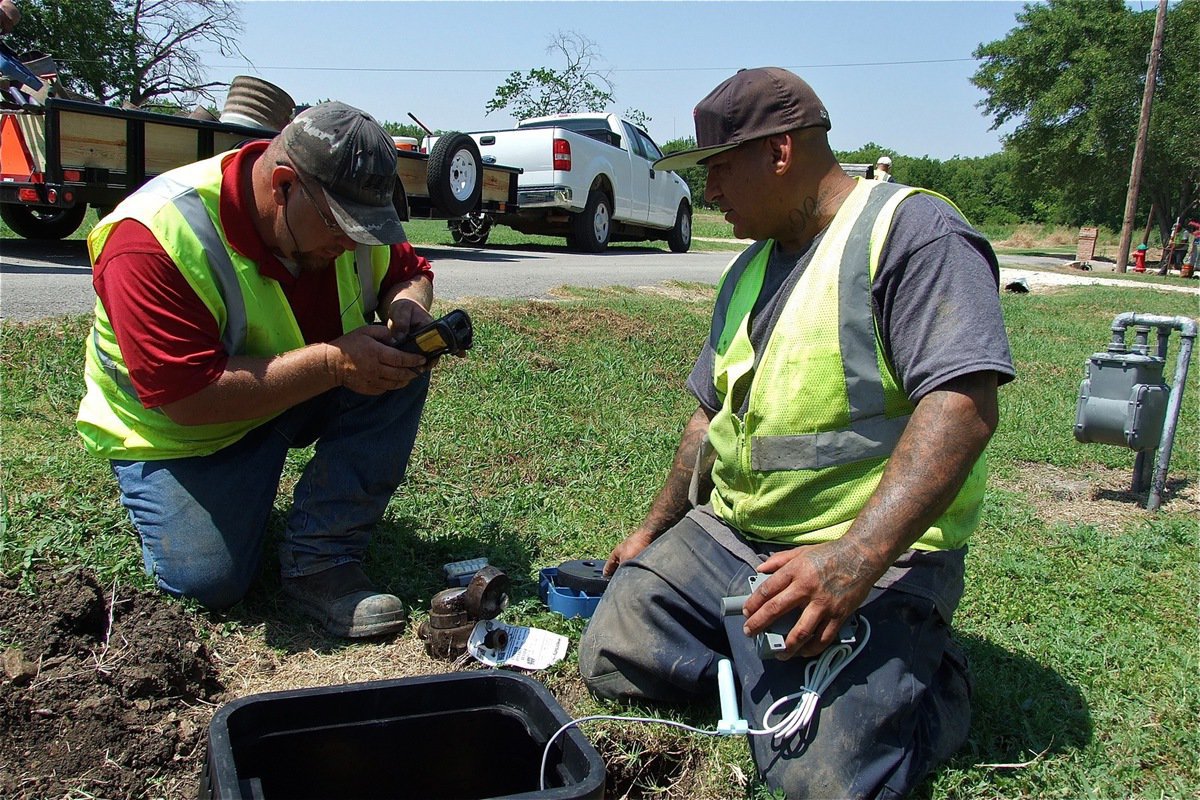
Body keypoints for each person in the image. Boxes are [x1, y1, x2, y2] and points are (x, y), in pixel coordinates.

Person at [579, 67, 1014, 799]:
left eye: (719, 168)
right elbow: (708, 416)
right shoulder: (750, 268)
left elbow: (962, 407)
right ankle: (774, 659)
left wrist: (853, 559)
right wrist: (654, 531)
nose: (710, 191)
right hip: (737, 539)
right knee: (616, 653)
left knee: (826, 776)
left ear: (779, 153)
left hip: (871, 553)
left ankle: (927, 681)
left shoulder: (914, 232)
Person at [77, 101, 438, 639]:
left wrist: (409, 305)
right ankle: (209, 490)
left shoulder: (341, 221)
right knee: (209, 581)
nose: (352, 243)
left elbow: (409, 272)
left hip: (290, 390)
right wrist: (335, 362)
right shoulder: (152, 239)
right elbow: (189, 399)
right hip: (182, 434)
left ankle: (322, 558)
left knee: (397, 363)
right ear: (285, 185)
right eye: (341, 228)